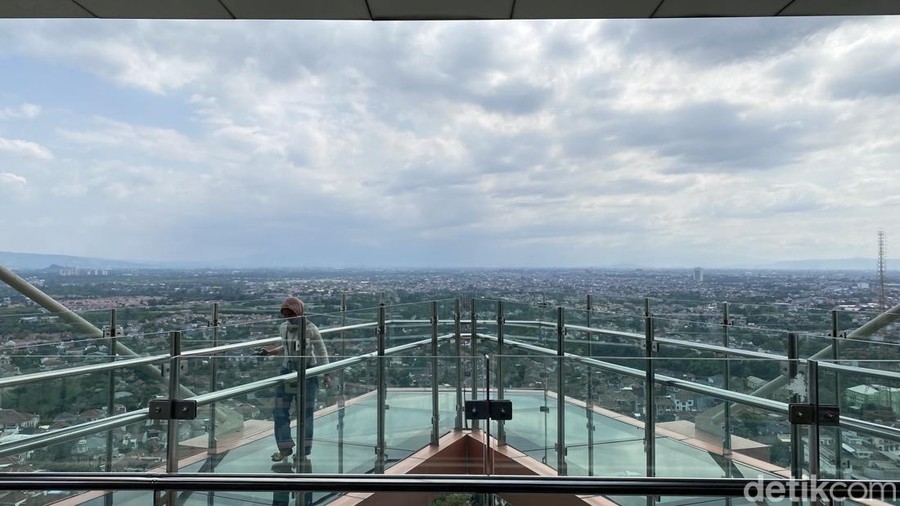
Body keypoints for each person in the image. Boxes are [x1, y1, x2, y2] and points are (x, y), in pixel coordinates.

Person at [256, 297, 330, 462]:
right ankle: (285, 447)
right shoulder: (283, 328)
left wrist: (326, 373)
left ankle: (303, 451)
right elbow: (287, 346)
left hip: (308, 373)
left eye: (292, 313)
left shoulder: (311, 329)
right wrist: (270, 352)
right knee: (279, 411)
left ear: (300, 312)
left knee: (305, 413)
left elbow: (321, 350)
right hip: (287, 371)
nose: (289, 317)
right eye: (286, 314)